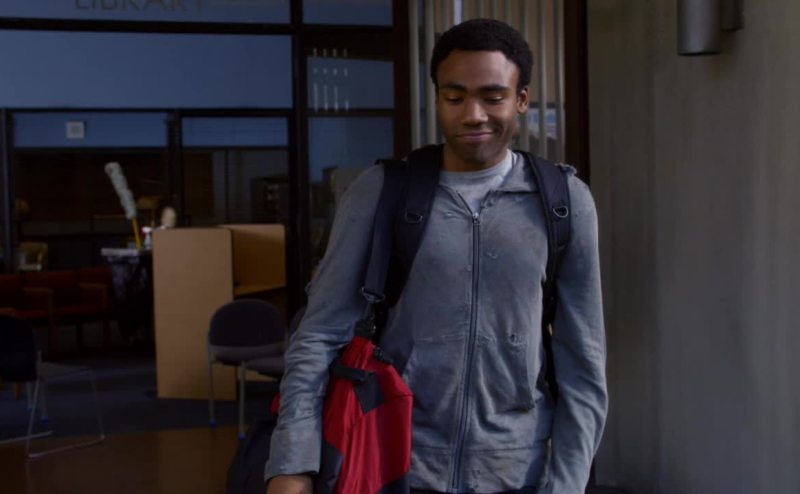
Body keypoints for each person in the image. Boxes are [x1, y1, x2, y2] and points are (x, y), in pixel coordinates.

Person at [266, 18, 607, 494]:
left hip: (517, 472)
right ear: (438, 99)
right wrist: (292, 464)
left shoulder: (564, 202)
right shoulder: (382, 192)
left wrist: (566, 484)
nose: (473, 115)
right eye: (455, 97)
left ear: (521, 100)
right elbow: (319, 333)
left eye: (492, 97)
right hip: (395, 465)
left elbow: (582, 362)